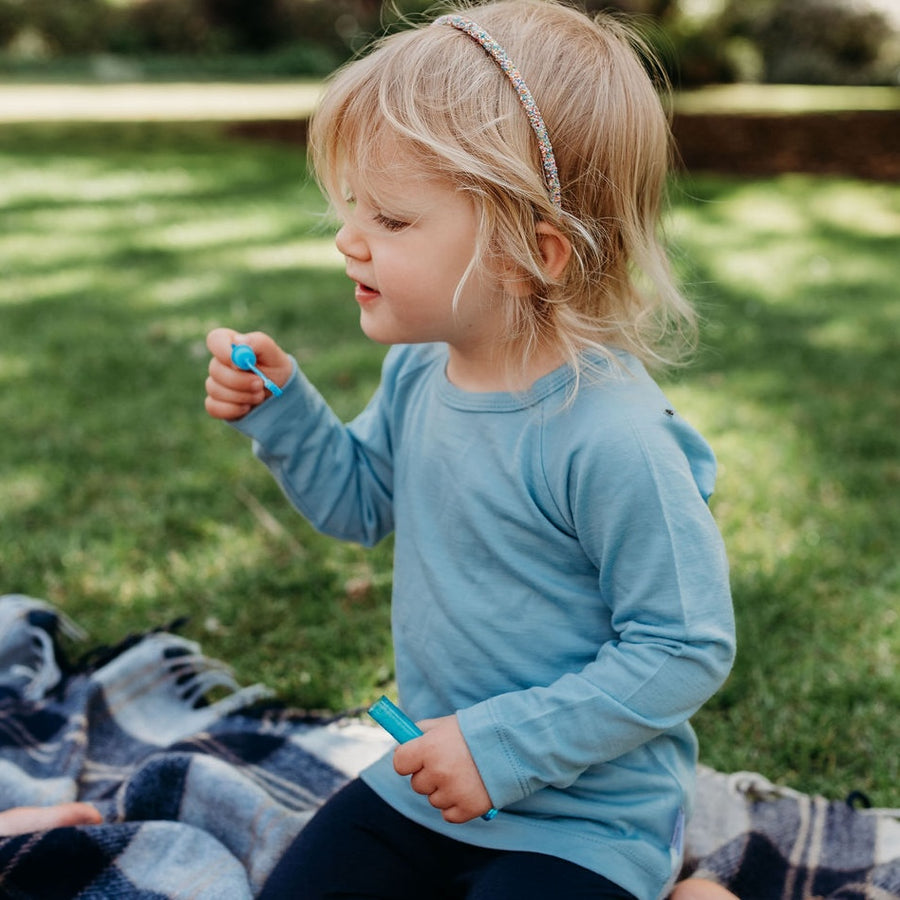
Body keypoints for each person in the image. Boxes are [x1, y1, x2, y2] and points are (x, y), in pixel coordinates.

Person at [205, 1, 736, 897]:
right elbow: (363, 503)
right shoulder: (421, 371)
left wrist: (500, 750)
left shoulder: (613, 437)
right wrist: (285, 414)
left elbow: (685, 645)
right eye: (350, 207)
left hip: (585, 818)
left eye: (394, 220)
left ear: (535, 253)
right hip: (428, 780)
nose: (348, 238)